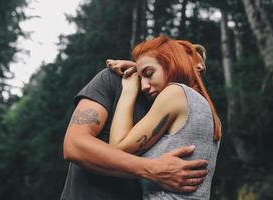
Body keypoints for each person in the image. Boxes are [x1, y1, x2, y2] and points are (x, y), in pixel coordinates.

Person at [60, 46, 210, 199]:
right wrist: (153, 169)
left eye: (201, 71)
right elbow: (74, 145)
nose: (198, 72)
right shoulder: (113, 80)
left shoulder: (184, 107)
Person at [107, 35, 222, 200]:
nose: (144, 86)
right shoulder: (209, 113)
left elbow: (116, 151)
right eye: (141, 78)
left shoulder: (174, 93)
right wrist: (142, 68)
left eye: (148, 73)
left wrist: (129, 90)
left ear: (172, 64)